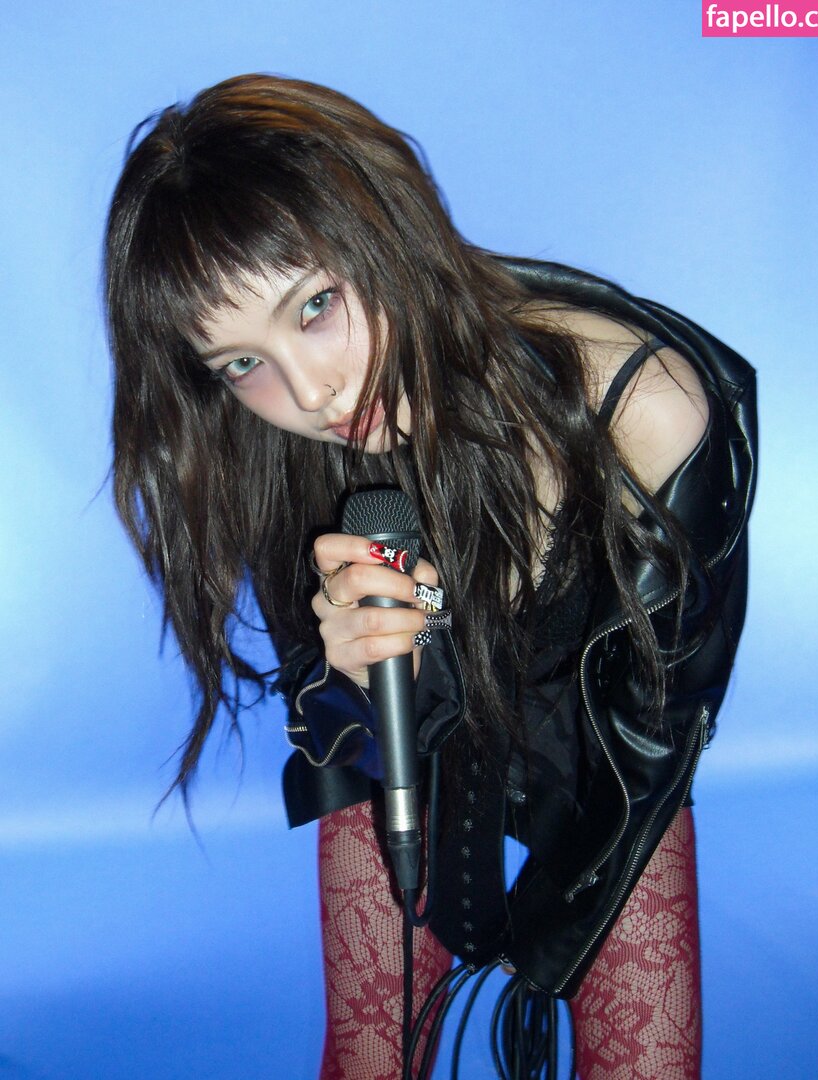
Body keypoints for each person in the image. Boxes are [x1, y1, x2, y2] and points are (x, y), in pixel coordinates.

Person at [105, 74, 756, 1080]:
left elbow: (657, 725)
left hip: (611, 757)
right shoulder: (277, 450)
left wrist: (541, 945)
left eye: (315, 305)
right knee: (371, 1055)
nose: (311, 393)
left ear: (388, 224)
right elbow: (332, 721)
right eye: (240, 363)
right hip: (409, 735)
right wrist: (357, 681)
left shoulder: (648, 407)